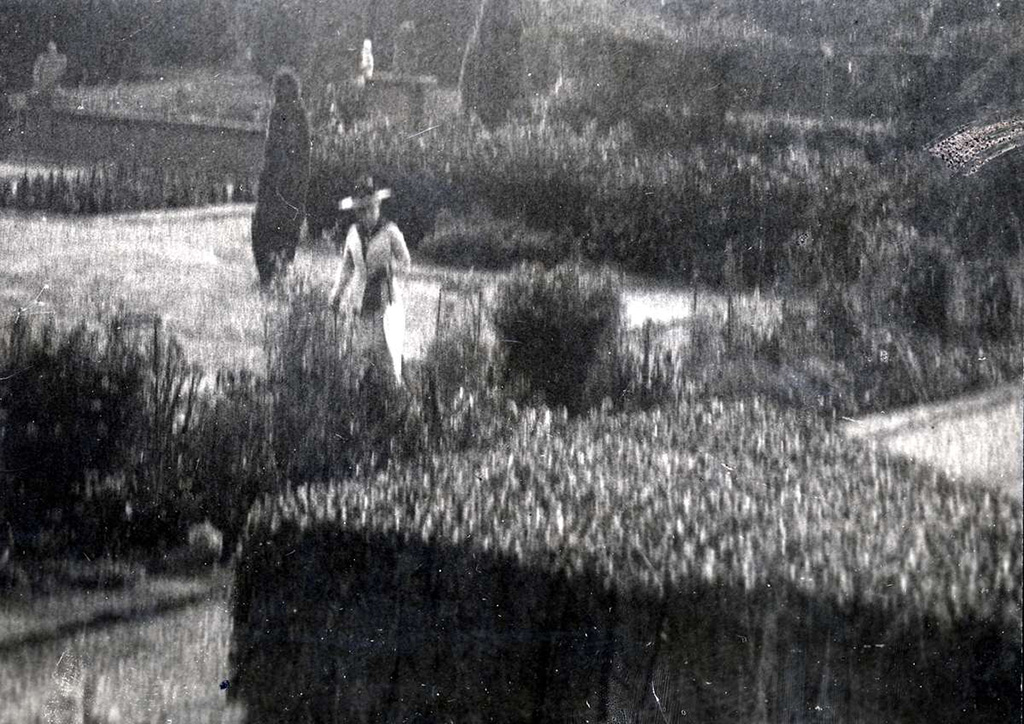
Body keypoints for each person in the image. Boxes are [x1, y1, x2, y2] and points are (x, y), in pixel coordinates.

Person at [329, 176, 411, 383]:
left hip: (386, 301)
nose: (366, 215)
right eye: (361, 211)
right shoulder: (353, 234)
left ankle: (393, 394)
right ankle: (364, 396)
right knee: (361, 353)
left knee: (387, 352)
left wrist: (389, 270)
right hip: (361, 301)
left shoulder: (390, 232)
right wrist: (337, 294)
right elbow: (347, 266)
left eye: (370, 209)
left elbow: (406, 263)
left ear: (378, 206)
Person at [251, 67, 311, 288]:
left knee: (278, 227)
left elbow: (298, 150)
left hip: (286, 181)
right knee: (276, 228)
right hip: (281, 181)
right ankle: (274, 272)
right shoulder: (282, 113)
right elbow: (274, 149)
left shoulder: (291, 114)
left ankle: (275, 271)